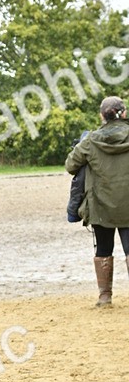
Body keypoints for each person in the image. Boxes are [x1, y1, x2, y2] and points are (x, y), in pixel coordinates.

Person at [65, 96, 129, 307]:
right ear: (124, 113)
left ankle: (105, 296)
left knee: (103, 248)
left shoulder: (90, 140)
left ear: (102, 115)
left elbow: (70, 166)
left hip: (100, 204)